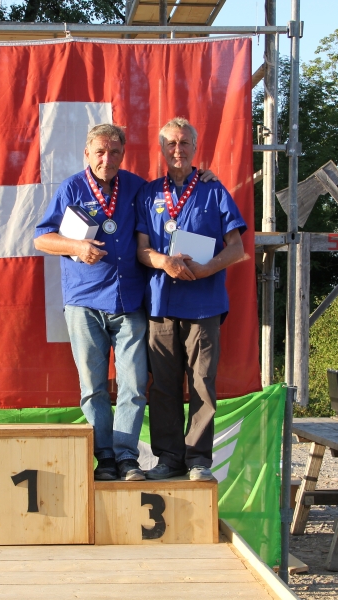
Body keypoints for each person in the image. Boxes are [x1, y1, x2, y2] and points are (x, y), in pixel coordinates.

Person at [33, 124, 217, 482]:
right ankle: (104, 459)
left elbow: (175, 191)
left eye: (115, 152)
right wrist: (76, 247)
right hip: (84, 301)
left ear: (123, 154)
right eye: (100, 151)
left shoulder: (136, 187)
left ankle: (127, 458)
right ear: (87, 153)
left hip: (130, 300)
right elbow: (43, 239)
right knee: (94, 387)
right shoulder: (72, 188)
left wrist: (205, 176)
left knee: (133, 385)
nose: (107, 158)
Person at [134, 117, 246, 482]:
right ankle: (168, 458)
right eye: (171, 144)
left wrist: (206, 269)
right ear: (162, 149)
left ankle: (198, 460)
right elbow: (141, 250)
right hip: (161, 305)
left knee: (201, 383)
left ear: (194, 148)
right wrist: (164, 262)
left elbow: (237, 248)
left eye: (184, 143)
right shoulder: (149, 193)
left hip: (204, 304)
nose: (178, 150)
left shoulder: (215, 191)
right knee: (163, 387)